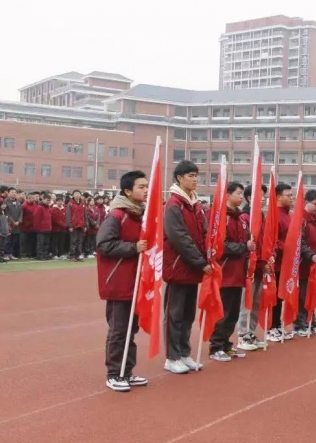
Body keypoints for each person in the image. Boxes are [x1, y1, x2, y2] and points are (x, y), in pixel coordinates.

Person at [96, 170, 150, 392]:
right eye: (141, 187)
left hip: (135, 282)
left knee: (131, 329)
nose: (146, 190)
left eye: (147, 186)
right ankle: (114, 373)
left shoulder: (141, 215)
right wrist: (133, 248)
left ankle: (127, 371)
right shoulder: (117, 216)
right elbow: (103, 244)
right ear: (127, 191)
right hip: (119, 281)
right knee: (118, 329)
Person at [162, 160, 211, 374]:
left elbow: (204, 233)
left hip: (193, 268)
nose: (195, 179)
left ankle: (184, 353)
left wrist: (208, 256)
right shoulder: (174, 205)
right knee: (174, 315)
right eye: (191, 175)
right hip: (178, 267)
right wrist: (200, 262)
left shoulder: (195, 204)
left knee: (188, 314)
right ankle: (171, 357)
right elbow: (180, 238)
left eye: (196, 175)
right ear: (179, 178)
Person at [209, 181, 254, 361]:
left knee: (233, 312)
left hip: (238, 273)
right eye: (238, 193)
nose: (241, 197)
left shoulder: (240, 219)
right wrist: (244, 247)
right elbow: (220, 245)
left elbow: (247, 241)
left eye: (242, 193)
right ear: (227, 195)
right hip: (225, 272)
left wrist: (248, 247)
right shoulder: (222, 218)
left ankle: (226, 344)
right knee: (224, 311)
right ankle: (216, 346)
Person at [236, 184, 269, 351]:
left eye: (264, 196)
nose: (263, 199)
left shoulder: (261, 216)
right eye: (260, 196)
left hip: (260, 266)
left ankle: (251, 332)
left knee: (256, 302)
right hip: (248, 267)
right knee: (246, 302)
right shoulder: (245, 217)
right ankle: (243, 334)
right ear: (250, 198)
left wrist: (265, 261)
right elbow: (246, 243)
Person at [294, 189, 316, 336]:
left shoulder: (315, 220)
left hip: (313, 265)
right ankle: (300, 324)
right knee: (302, 296)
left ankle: (310, 322)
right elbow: (299, 241)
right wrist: (311, 255)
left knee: (311, 293)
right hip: (302, 264)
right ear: (306, 202)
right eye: (315, 204)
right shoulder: (301, 220)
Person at [267, 182, 295, 342]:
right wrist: (288, 248)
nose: (291, 198)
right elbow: (273, 240)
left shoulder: (288, 215)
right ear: (278, 197)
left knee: (281, 295)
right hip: (276, 263)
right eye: (288, 195)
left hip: (286, 264)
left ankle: (277, 325)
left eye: (292, 195)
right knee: (274, 296)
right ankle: (271, 327)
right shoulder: (274, 215)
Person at [67, 190, 87, 261]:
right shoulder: (70, 204)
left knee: (80, 241)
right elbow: (68, 215)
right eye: (75, 194)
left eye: (78, 193)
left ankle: (78, 255)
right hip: (74, 225)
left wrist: (85, 225)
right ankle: (72, 255)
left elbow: (85, 215)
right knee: (73, 241)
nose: (77, 195)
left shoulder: (83, 203)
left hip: (81, 225)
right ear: (73, 195)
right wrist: (70, 225)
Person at [33, 193, 53, 261]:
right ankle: (40, 255)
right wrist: (37, 228)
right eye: (47, 200)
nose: (48, 202)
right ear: (43, 199)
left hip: (48, 229)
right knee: (40, 243)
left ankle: (45, 254)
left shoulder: (49, 208)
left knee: (46, 243)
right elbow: (36, 218)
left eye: (49, 200)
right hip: (41, 229)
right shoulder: (39, 208)